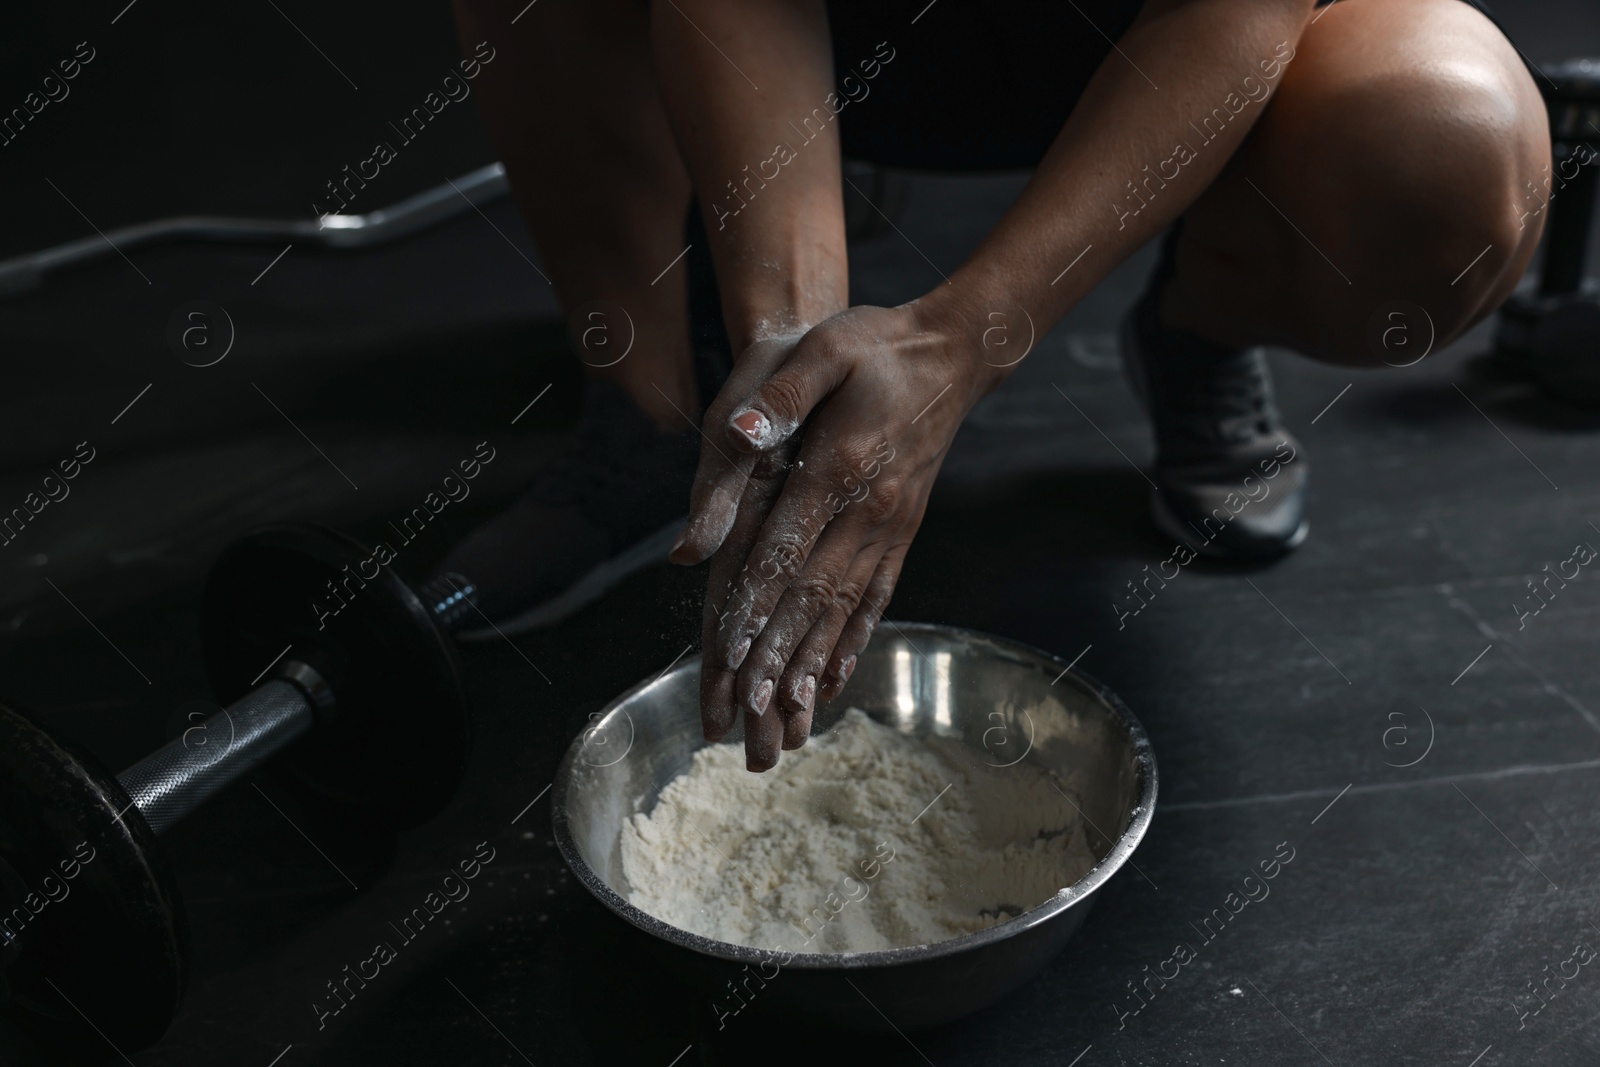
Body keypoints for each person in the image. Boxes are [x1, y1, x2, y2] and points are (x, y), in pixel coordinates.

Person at [435, 0, 1550, 770]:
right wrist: (794, 354)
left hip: (1152, 45)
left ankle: (1200, 323)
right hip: (851, 30)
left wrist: (962, 341)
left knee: (1447, 146)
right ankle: (656, 407)